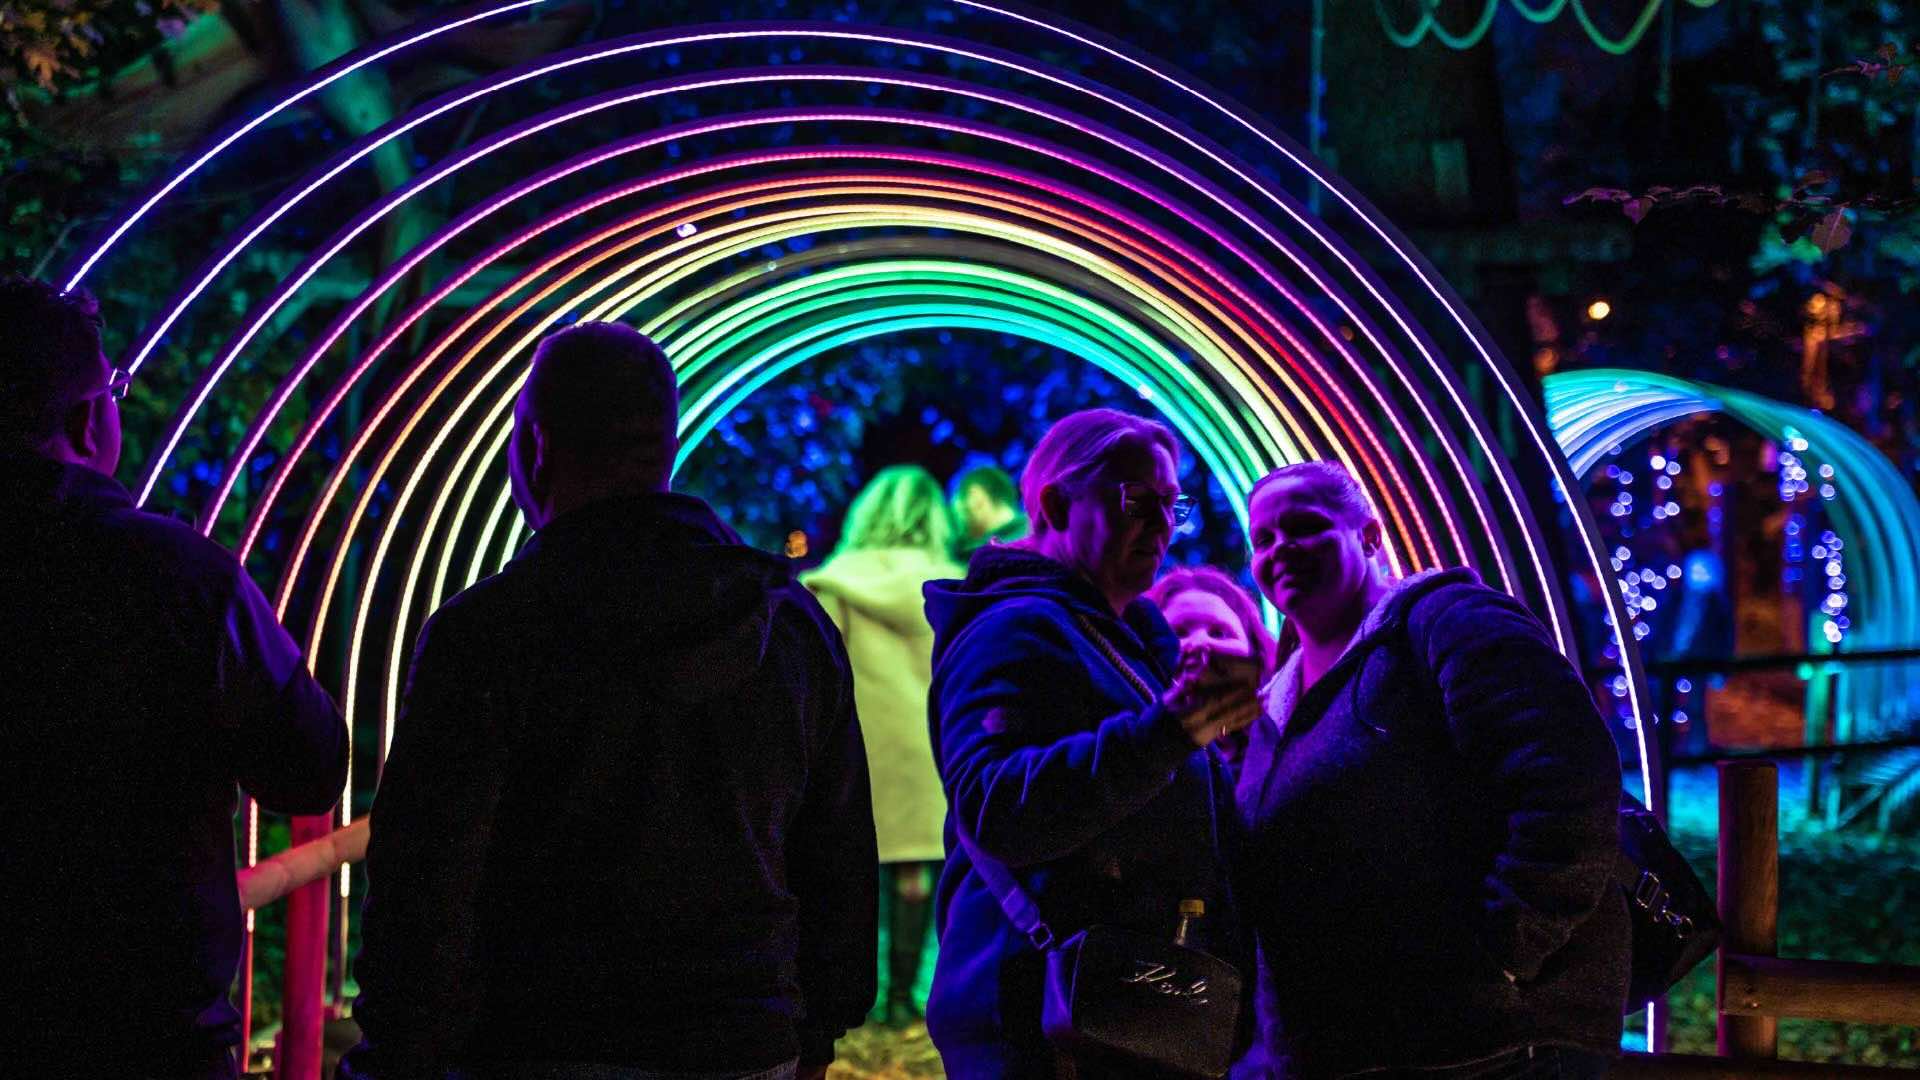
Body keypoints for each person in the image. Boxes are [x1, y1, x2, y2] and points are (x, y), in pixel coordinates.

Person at [344, 323, 877, 1080]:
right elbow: (836, 857)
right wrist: (813, 1034)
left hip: (538, 1042)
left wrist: (400, 1049)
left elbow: (428, 877)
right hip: (743, 1039)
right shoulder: (786, 626)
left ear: (535, 448)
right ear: (666, 448)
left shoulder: (489, 633)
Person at [0, 276, 349, 1077]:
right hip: (148, 1030)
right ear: (87, 418)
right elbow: (309, 767)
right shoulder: (177, 575)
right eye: (115, 389)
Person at [1232, 461, 1628, 1079]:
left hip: (1489, 1053)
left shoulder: (1449, 623)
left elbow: (1567, 775)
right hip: (1353, 1054)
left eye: (1305, 526)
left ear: (1369, 536)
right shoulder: (1274, 707)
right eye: (1263, 539)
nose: (1281, 548)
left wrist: (1505, 953)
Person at [923, 407, 1258, 1076]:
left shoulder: (1117, 636)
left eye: (1171, 505)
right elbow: (993, 805)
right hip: (1040, 1019)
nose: (1162, 525)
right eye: (1138, 501)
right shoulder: (1014, 629)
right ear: (1055, 506)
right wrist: (1167, 732)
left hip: (1108, 1012)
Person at [801, 465, 963, 1027]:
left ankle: (847, 995)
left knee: (846, 869)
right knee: (915, 879)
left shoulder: (831, 584)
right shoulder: (954, 586)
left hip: (859, 749)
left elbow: (819, 672)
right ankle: (900, 997)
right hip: (928, 749)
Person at [1144, 566, 1281, 767]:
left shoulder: (1283, 738)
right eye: (1179, 633)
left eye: (1219, 633)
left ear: (1254, 651)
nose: (1200, 642)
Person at [951, 463, 1029, 559]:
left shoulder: (980, 556)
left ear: (977, 497)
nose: (962, 525)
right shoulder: (1039, 536)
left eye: (964, 511)